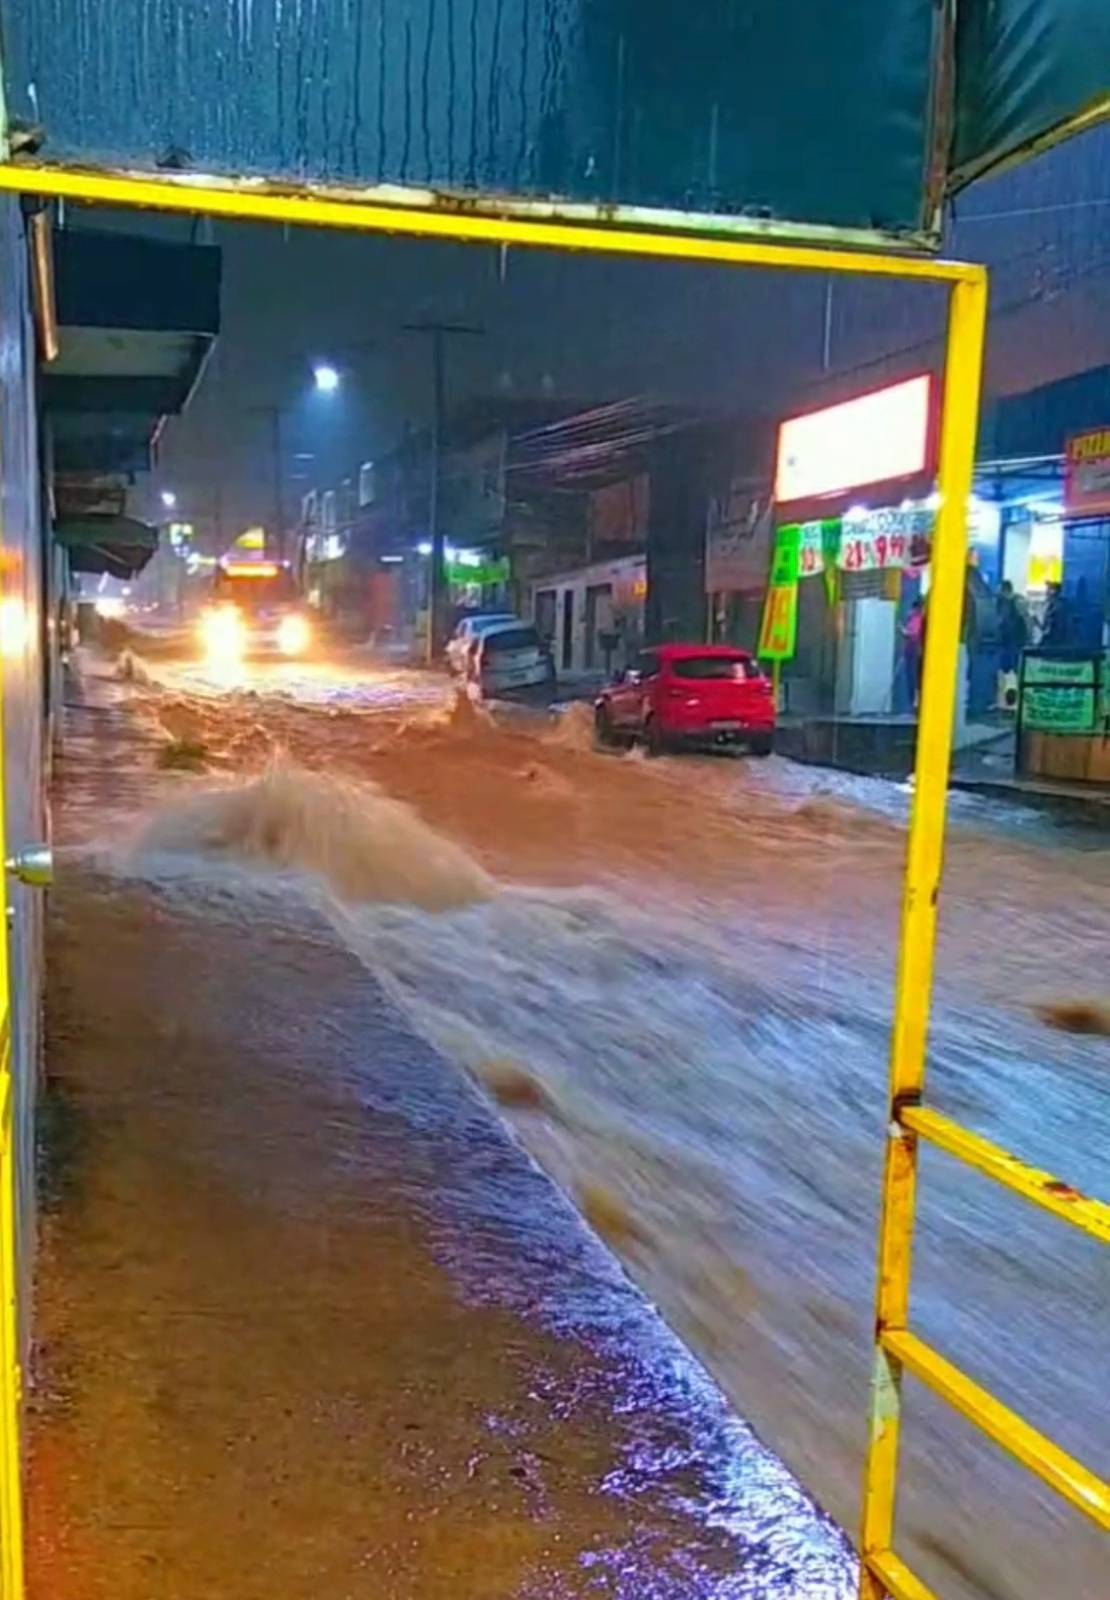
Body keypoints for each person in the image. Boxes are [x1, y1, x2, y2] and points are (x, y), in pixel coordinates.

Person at [997, 579, 1028, 673]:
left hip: (1009, 640)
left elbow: (1002, 620)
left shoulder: (1005, 602)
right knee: (1014, 666)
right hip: (1016, 640)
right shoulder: (1019, 600)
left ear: (1004, 590)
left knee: (1006, 667)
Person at [902, 598, 925, 710]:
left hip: (914, 650)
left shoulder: (917, 619)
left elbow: (913, 633)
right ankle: (914, 700)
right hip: (911, 650)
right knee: (912, 676)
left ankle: (915, 701)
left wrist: (904, 631)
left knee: (913, 676)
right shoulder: (914, 619)